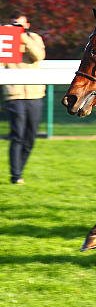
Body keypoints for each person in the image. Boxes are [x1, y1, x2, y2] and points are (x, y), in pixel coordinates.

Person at [1, 12, 46, 184]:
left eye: (20, 25)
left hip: (35, 94)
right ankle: (16, 175)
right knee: (17, 135)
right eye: (14, 24)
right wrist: (6, 36)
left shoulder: (34, 38)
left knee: (30, 137)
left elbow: (38, 56)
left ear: (27, 25)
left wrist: (22, 37)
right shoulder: (6, 41)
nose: (17, 28)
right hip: (15, 94)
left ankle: (19, 170)